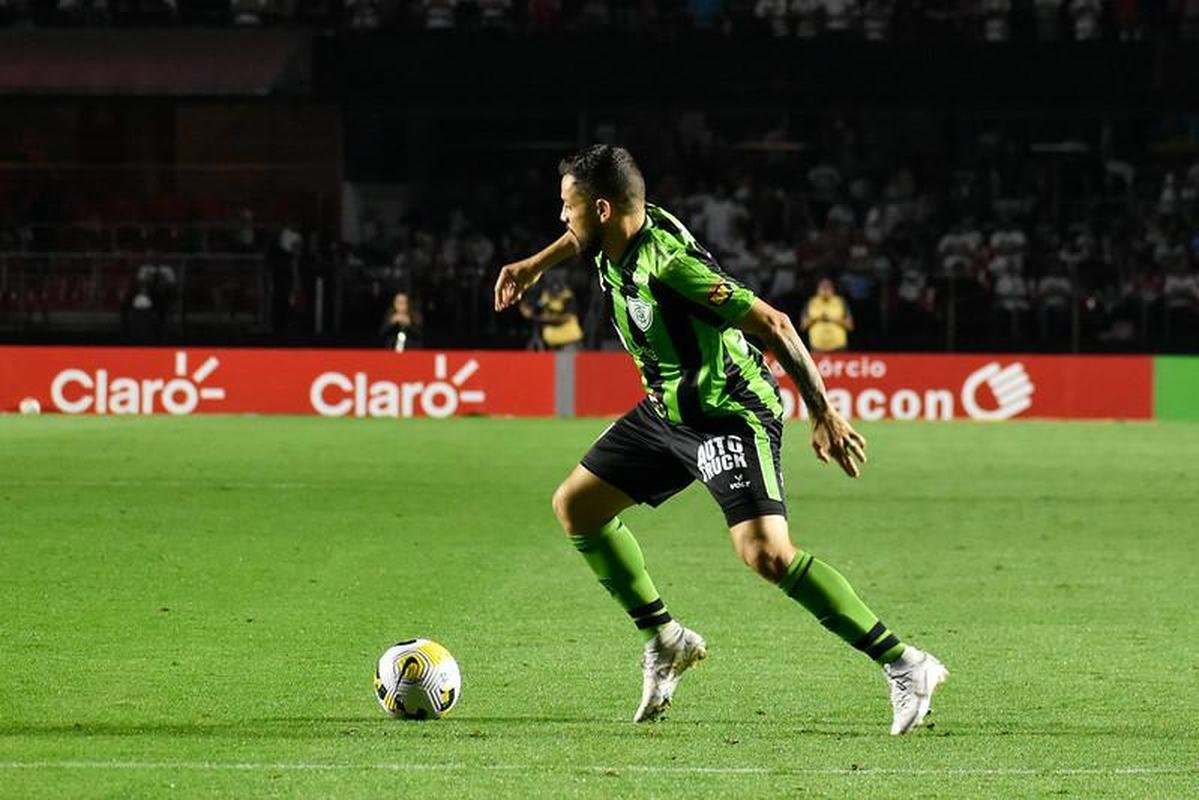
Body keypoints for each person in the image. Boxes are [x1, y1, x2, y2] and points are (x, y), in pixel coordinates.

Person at [493, 145, 947, 734]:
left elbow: (777, 324)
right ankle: (666, 639)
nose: (562, 218)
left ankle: (906, 663)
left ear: (602, 208)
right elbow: (580, 239)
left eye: (567, 207)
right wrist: (533, 264)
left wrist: (825, 414)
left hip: (728, 411)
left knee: (767, 554)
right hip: (665, 411)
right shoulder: (618, 228)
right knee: (576, 505)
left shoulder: (670, 267)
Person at [800, 277, 854, 352]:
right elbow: (803, 326)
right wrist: (818, 318)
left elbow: (850, 326)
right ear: (817, 289)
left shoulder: (840, 302)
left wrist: (833, 318)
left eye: (828, 287)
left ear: (833, 289)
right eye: (822, 287)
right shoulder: (810, 302)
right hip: (817, 347)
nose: (825, 289)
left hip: (838, 347)